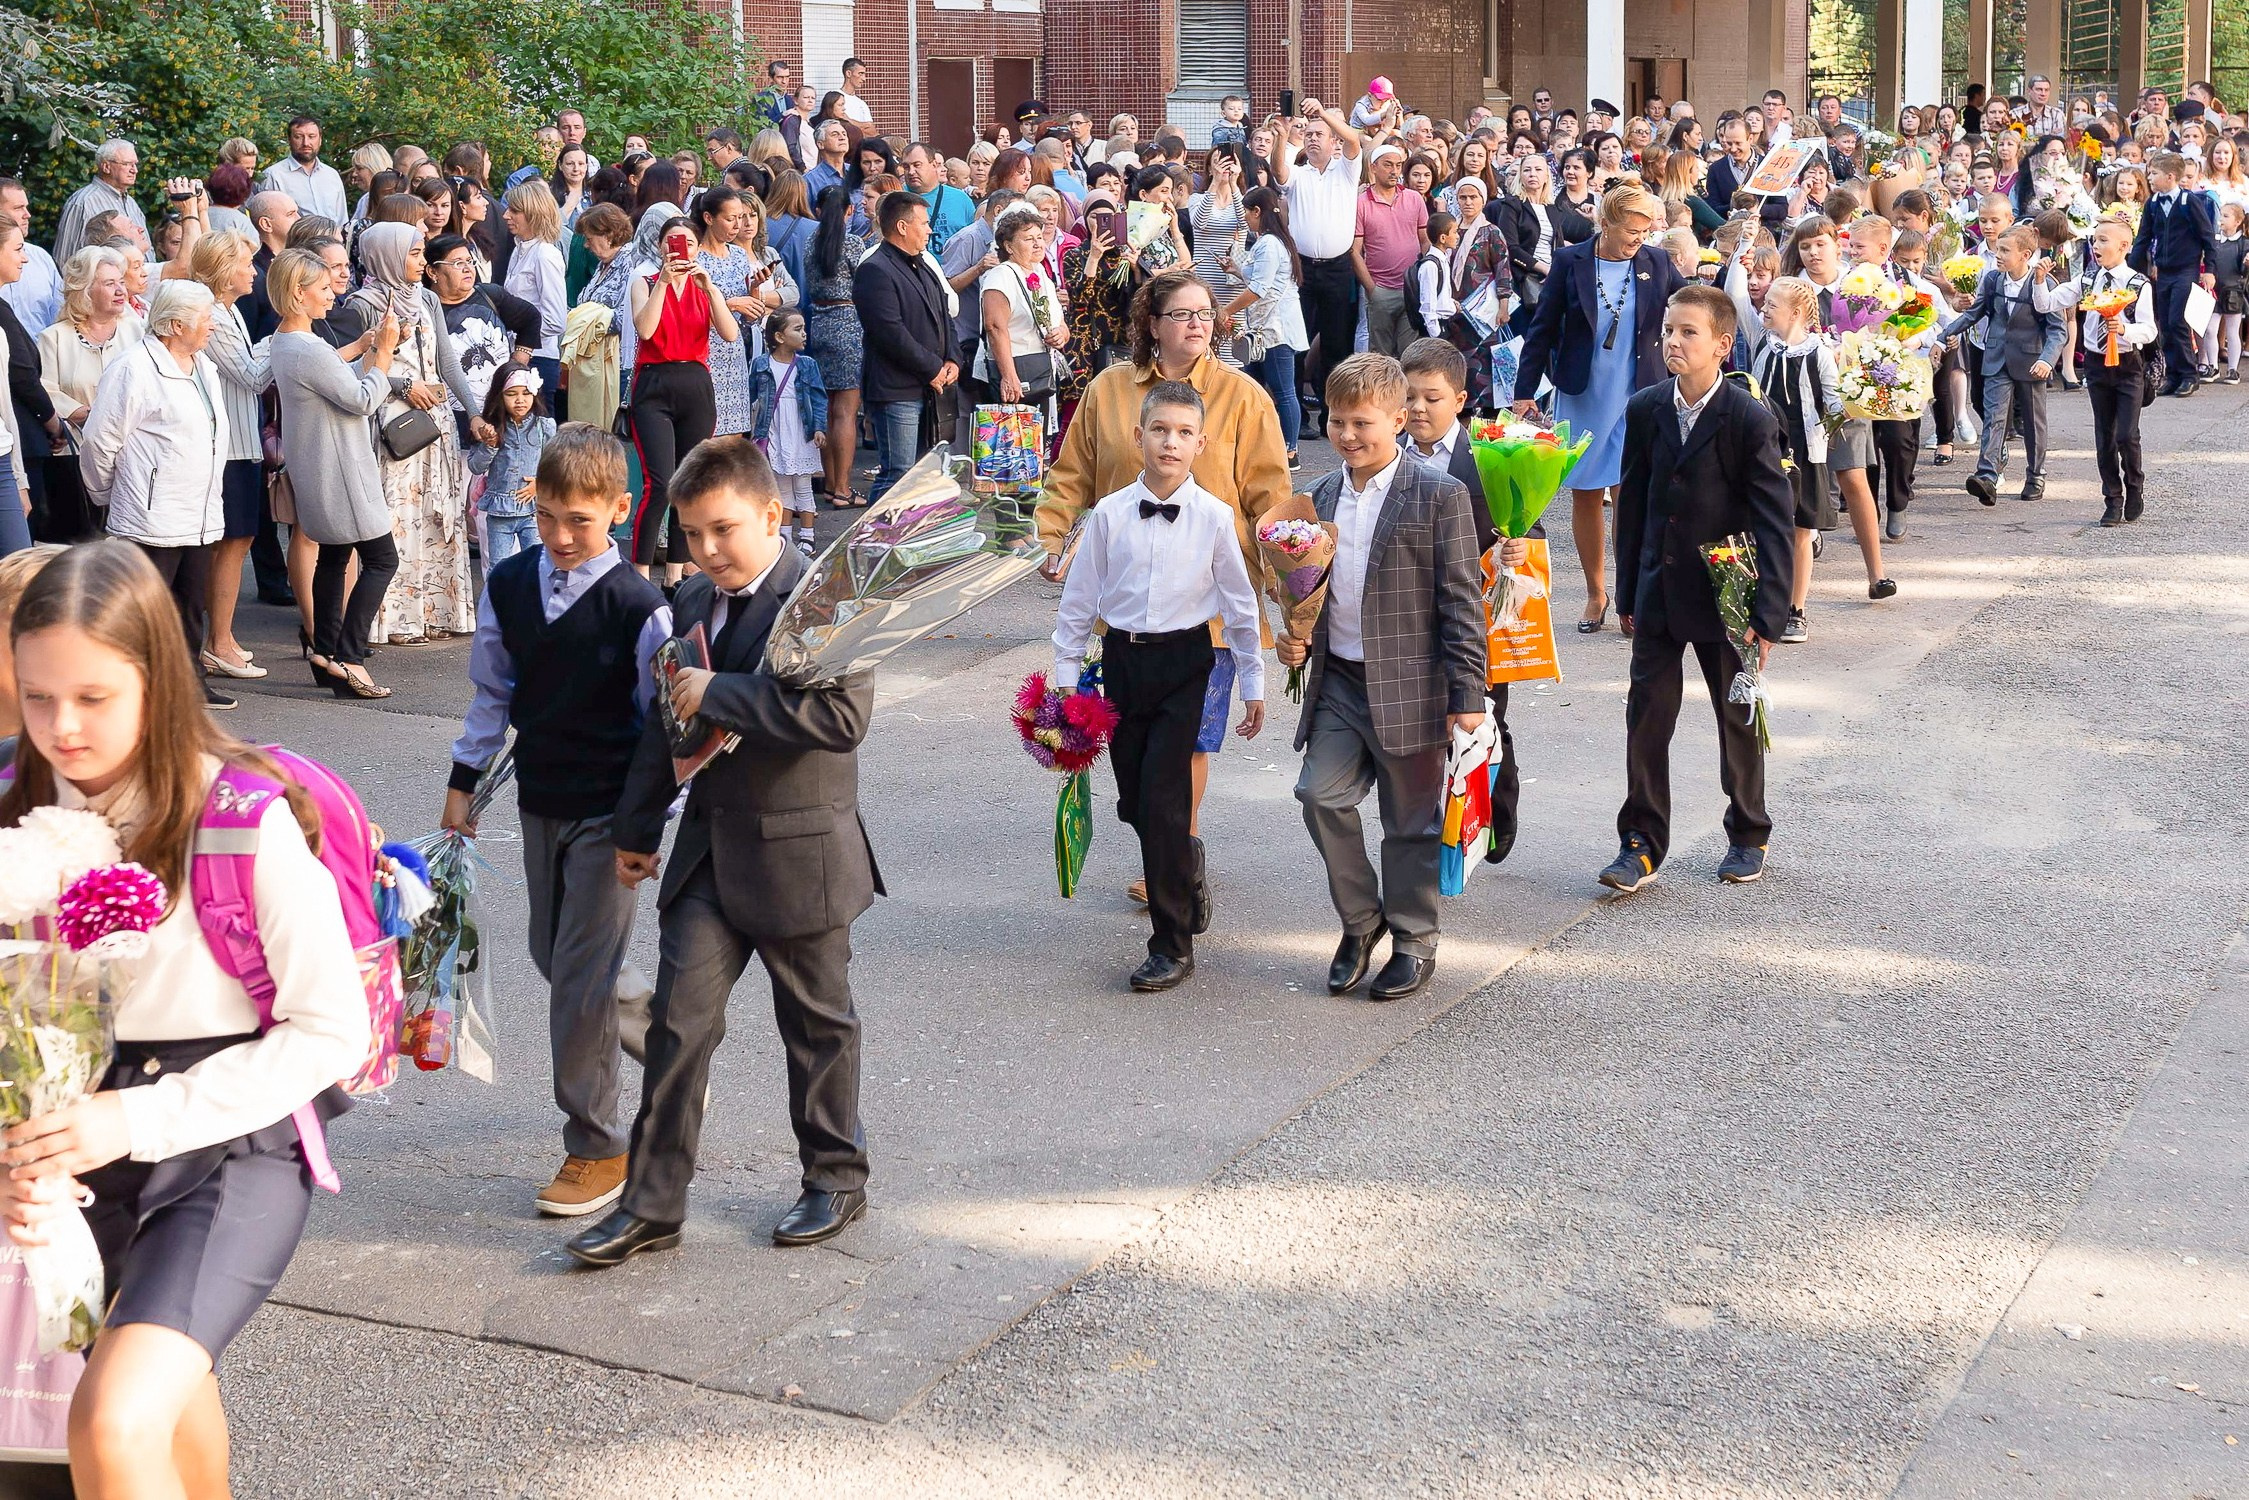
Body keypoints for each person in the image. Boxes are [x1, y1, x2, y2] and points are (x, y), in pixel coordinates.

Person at [0, 540, 370, 1496]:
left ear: (158, 679)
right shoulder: (17, 802)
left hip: (231, 1140)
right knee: (168, 1388)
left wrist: (128, 1120)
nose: (61, 728)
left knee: (115, 1419)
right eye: (37, 697)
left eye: (92, 698)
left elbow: (331, 1030)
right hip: (74, 1136)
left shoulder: (243, 815)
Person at [571, 437, 881, 1267]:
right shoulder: (695, 601)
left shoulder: (827, 595)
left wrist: (725, 693)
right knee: (677, 1031)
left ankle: (835, 1177)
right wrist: (637, 831)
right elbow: (669, 721)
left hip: (799, 852)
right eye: (693, 536)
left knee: (815, 1027)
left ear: (771, 513)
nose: (707, 551)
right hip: (709, 854)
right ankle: (652, 1203)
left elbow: (839, 721)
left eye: (723, 530)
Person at [438, 421, 670, 1220]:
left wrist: (649, 827)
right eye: (547, 517)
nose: (563, 536)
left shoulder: (641, 607)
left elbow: (662, 728)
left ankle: (598, 1146)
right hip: (541, 799)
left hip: (610, 814)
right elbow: (491, 693)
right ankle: (669, 1031)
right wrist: (462, 783)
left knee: (576, 981)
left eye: (582, 519)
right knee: (556, 955)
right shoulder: (507, 585)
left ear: (618, 509)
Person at [1036, 270, 1288, 905]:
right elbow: (1072, 477)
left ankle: (1178, 851)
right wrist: (1052, 540)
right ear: (1152, 324)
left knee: (1191, 745)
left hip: (1208, 615)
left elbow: (1272, 502)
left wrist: (1292, 586)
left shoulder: (1244, 397)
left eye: (1206, 312)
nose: (1198, 323)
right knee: (1136, 753)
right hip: (1126, 615)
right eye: (1181, 314)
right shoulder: (1108, 392)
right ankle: (1166, 837)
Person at [1275, 352, 1483, 1002]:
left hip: (1412, 687)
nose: (1346, 434)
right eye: (1336, 421)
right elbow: (1308, 589)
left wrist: (1466, 696)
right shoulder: (1323, 495)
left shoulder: (1437, 494)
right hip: (1340, 682)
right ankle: (1362, 922)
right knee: (1319, 796)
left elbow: (1460, 600)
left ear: (1397, 420)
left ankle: (1414, 941)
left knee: (1410, 825)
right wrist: (1295, 639)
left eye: (1361, 422)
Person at [1051, 381, 1265, 992]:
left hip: (1187, 663)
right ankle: (1185, 863)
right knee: (1134, 802)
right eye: (1160, 430)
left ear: (1201, 443)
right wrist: (1069, 684)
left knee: (1166, 801)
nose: (1171, 443)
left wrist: (1252, 679)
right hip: (1122, 664)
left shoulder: (1216, 518)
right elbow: (1078, 602)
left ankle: (1171, 942)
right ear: (1138, 436)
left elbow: (1240, 604)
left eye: (1184, 433)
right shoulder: (1110, 515)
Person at [1602, 285, 1793, 895]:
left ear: (1722, 344)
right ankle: (1640, 842)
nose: (1674, 341)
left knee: (1736, 715)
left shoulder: (1748, 418)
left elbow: (1773, 520)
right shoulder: (1646, 407)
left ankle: (1747, 830)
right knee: (1647, 717)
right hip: (1659, 586)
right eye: (1668, 330)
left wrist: (1769, 610)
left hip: (1726, 589)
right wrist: (1626, 589)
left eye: (1689, 332)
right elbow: (1633, 503)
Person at [1513, 184, 1683, 633]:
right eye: (1631, 230)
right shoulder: (1571, 263)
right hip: (1584, 392)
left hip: (1639, 394)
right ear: (1605, 224)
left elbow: (1693, 305)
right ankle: (1595, 592)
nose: (1639, 240)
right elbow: (1542, 329)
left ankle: (1630, 595)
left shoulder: (1658, 262)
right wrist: (1524, 390)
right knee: (1586, 493)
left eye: (1646, 230)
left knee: (1631, 495)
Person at [1400, 336, 1529, 862]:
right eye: (1407, 397)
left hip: (1475, 613)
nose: (1417, 409)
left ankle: (1499, 801)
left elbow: (1524, 521)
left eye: (1431, 397)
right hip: (1409, 611)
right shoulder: (1390, 454)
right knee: (1423, 724)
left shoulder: (1487, 456)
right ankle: (1434, 828)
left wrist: (1517, 545)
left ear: (1459, 399)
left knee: (1482, 713)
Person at [77, 280, 234, 705]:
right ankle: (129, 688)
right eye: (205, 319)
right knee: (143, 607)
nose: (213, 327)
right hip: (151, 513)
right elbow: (99, 441)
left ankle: (187, 680)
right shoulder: (133, 368)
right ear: (176, 324)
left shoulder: (204, 366)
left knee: (189, 602)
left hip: (198, 511)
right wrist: (109, 494)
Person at [266, 247, 403, 698]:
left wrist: (365, 350)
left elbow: (333, 384)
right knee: (383, 559)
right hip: (342, 468)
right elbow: (362, 400)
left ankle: (326, 652)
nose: (331, 295)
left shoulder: (284, 341)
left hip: (319, 466)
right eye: (322, 289)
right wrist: (382, 355)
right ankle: (350, 656)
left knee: (335, 556)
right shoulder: (307, 348)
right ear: (297, 294)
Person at [344, 223, 482, 645]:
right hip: (392, 422)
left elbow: (447, 360)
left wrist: (473, 413)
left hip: (434, 419)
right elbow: (358, 369)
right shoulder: (362, 303)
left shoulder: (424, 298)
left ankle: (436, 611)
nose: (423, 262)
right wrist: (403, 386)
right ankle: (398, 620)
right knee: (399, 518)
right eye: (415, 254)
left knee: (436, 516)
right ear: (388, 255)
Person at [626, 213, 740, 579]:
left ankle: (676, 573)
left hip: (694, 382)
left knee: (686, 483)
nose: (681, 248)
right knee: (658, 482)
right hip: (654, 382)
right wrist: (663, 281)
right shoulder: (643, 281)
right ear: (661, 246)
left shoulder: (705, 286)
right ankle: (641, 570)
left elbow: (730, 334)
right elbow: (645, 329)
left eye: (689, 242)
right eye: (672, 241)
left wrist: (710, 289)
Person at [1943, 224, 2065, 505]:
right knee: (1994, 416)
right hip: (1996, 358)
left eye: (2005, 251)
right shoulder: (1993, 281)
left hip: (2031, 361)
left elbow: (2057, 330)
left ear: (2025, 255)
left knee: (2034, 423)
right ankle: (1986, 475)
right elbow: (1975, 313)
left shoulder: (2045, 284)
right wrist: (1945, 333)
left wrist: (2047, 360)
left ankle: (2036, 475)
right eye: (1998, 249)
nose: (1997, 255)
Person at [2051, 217, 2157, 525]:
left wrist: (2124, 328)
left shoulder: (2137, 284)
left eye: (2103, 240)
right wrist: (2039, 280)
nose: (2096, 246)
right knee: (2105, 436)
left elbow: (2149, 330)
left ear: (2123, 246)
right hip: (2097, 365)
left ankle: (2135, 485)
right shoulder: (2087, 280)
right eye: (2094, 240)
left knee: (2127, 434)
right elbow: (2047, 302)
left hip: (2127, 365)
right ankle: (2112, 498)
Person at [852, 193, 957, 504]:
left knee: (924, 476)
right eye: (923, 224)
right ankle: (872, 546)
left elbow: (944, 313)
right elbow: (889, 332)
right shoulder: (875, 269)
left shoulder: (923, 264)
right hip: (896, 389)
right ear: (901, 226)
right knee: (898, 474)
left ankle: (909, 544)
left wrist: (952, 358)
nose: (929, 230)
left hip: (931, 386)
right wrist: (932, 367)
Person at [35, 246, 142, 543]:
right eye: (110, 283)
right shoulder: (54, 337)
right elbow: (43, 388)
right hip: (75, 461)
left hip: (132, 459)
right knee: (82, 549)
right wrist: (84, 413)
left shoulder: (138, 332)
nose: (121, 290)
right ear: (85, 289)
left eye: (121, 281)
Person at [1269, 103, 1364, 417]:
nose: (1311, 139)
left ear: (1332, 140)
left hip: (1338, 269)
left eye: (1319, 134)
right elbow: (1279, 173)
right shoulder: (1299, 174)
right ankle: (1296, 414)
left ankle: (1332, 412)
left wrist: (1324, 115)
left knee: (1337, 345)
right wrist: (1282, 136)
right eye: (1307, 133)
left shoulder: (1346, 170)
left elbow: (1353, 142)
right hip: (1303, 270)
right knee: (1298, 341)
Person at [1221, 186, 1309, 470]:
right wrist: (1235, 268)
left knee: (1283, 391)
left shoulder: (1270, 243)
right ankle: (1256, 443)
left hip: (1276, 329)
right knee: (1253, 385)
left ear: (1256, 211)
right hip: (1266, 328)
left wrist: (1225, 311)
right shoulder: (1271, 241)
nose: (1246, 218)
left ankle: (1290, 451)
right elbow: (1256, 277)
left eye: (1247, 213)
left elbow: (1258, 289)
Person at [2131, 152, 2218, 395]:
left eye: (2154, 174)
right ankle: (2172, 375)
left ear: (2170, 177)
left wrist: (2209, 269)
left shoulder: (2188, 202)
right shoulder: (2154, 203)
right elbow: (2143, 239)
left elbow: (2207, 237)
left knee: (2178, 321)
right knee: (2165, 325)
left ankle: (2189, 375)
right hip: (2164, 272)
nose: (2149, 177)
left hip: (2186, 270)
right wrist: (2130, 272)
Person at [805, 186, 869, 507]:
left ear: (818, 211)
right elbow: (865, 282)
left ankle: (830, 483)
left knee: (827, 408)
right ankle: (843, 488)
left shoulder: (809, 243)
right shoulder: (853, 243)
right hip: (848, 322)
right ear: (848, 211)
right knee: (846, 411)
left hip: (819, 321)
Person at [748, 306, 828, 557]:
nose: (805, 334)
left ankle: (808, 536)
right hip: (774, 430)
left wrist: (818, 427)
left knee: (803, 484)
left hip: (800, 429)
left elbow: (818, 398)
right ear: (779, 337)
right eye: (798, 329)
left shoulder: (807, 365)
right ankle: (785, 538)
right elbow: (752, 396)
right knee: (781, 486)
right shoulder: (761, 364)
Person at [466, 367, 554, 570]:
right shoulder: (490, 427)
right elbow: (475, 467)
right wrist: (490, 445)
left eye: (525, 393)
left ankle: (533, 602)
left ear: (534, 393)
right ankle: (498, 602)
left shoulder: (544, 426)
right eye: (511, 394)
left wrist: (540, 484)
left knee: (537, 566)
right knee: (498, 567)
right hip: (499, 512)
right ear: (499, 396)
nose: (520, 400)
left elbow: (557, 465)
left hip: (533, 511)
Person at [501, 181, 568, 410]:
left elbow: (556, 320)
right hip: (517, 356)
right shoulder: (520, 249)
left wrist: (523, 344)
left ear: (533, 213)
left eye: (515, 211)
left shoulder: (545, 254)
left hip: (538, 359)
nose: (506, 215)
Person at [54, 140, 149, 264]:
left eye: (135, 164)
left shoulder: (131, 203)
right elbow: (65, 260)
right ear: (106, 167)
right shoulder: (83, 202)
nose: (134, 170)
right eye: (127, 164)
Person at [260, 117, 348, 222]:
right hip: (294, 238)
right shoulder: (273, 176)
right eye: (298, 137)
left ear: (320, 140)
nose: (306, 143)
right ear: (289, 140)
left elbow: (342, 221)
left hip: (333, 238)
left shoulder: (332, 175)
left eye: (311, 136)